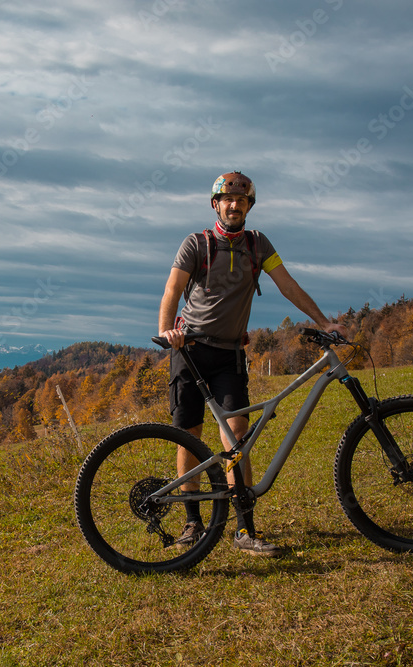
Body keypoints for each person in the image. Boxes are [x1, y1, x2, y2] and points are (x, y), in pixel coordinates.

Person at [158, 171, 348, 557]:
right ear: (216, 205)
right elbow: (173, 288)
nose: (233, 205)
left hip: (229, 354)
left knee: (237, 437)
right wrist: (166, 331)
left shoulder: (258, 244)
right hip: (190, 351)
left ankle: (244, 530)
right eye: (226, 200)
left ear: (248, 206)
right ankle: (192, 521)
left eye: (241, 201)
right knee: (189, 436)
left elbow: (287, 284)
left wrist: (323, 321)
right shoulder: (196, 243)